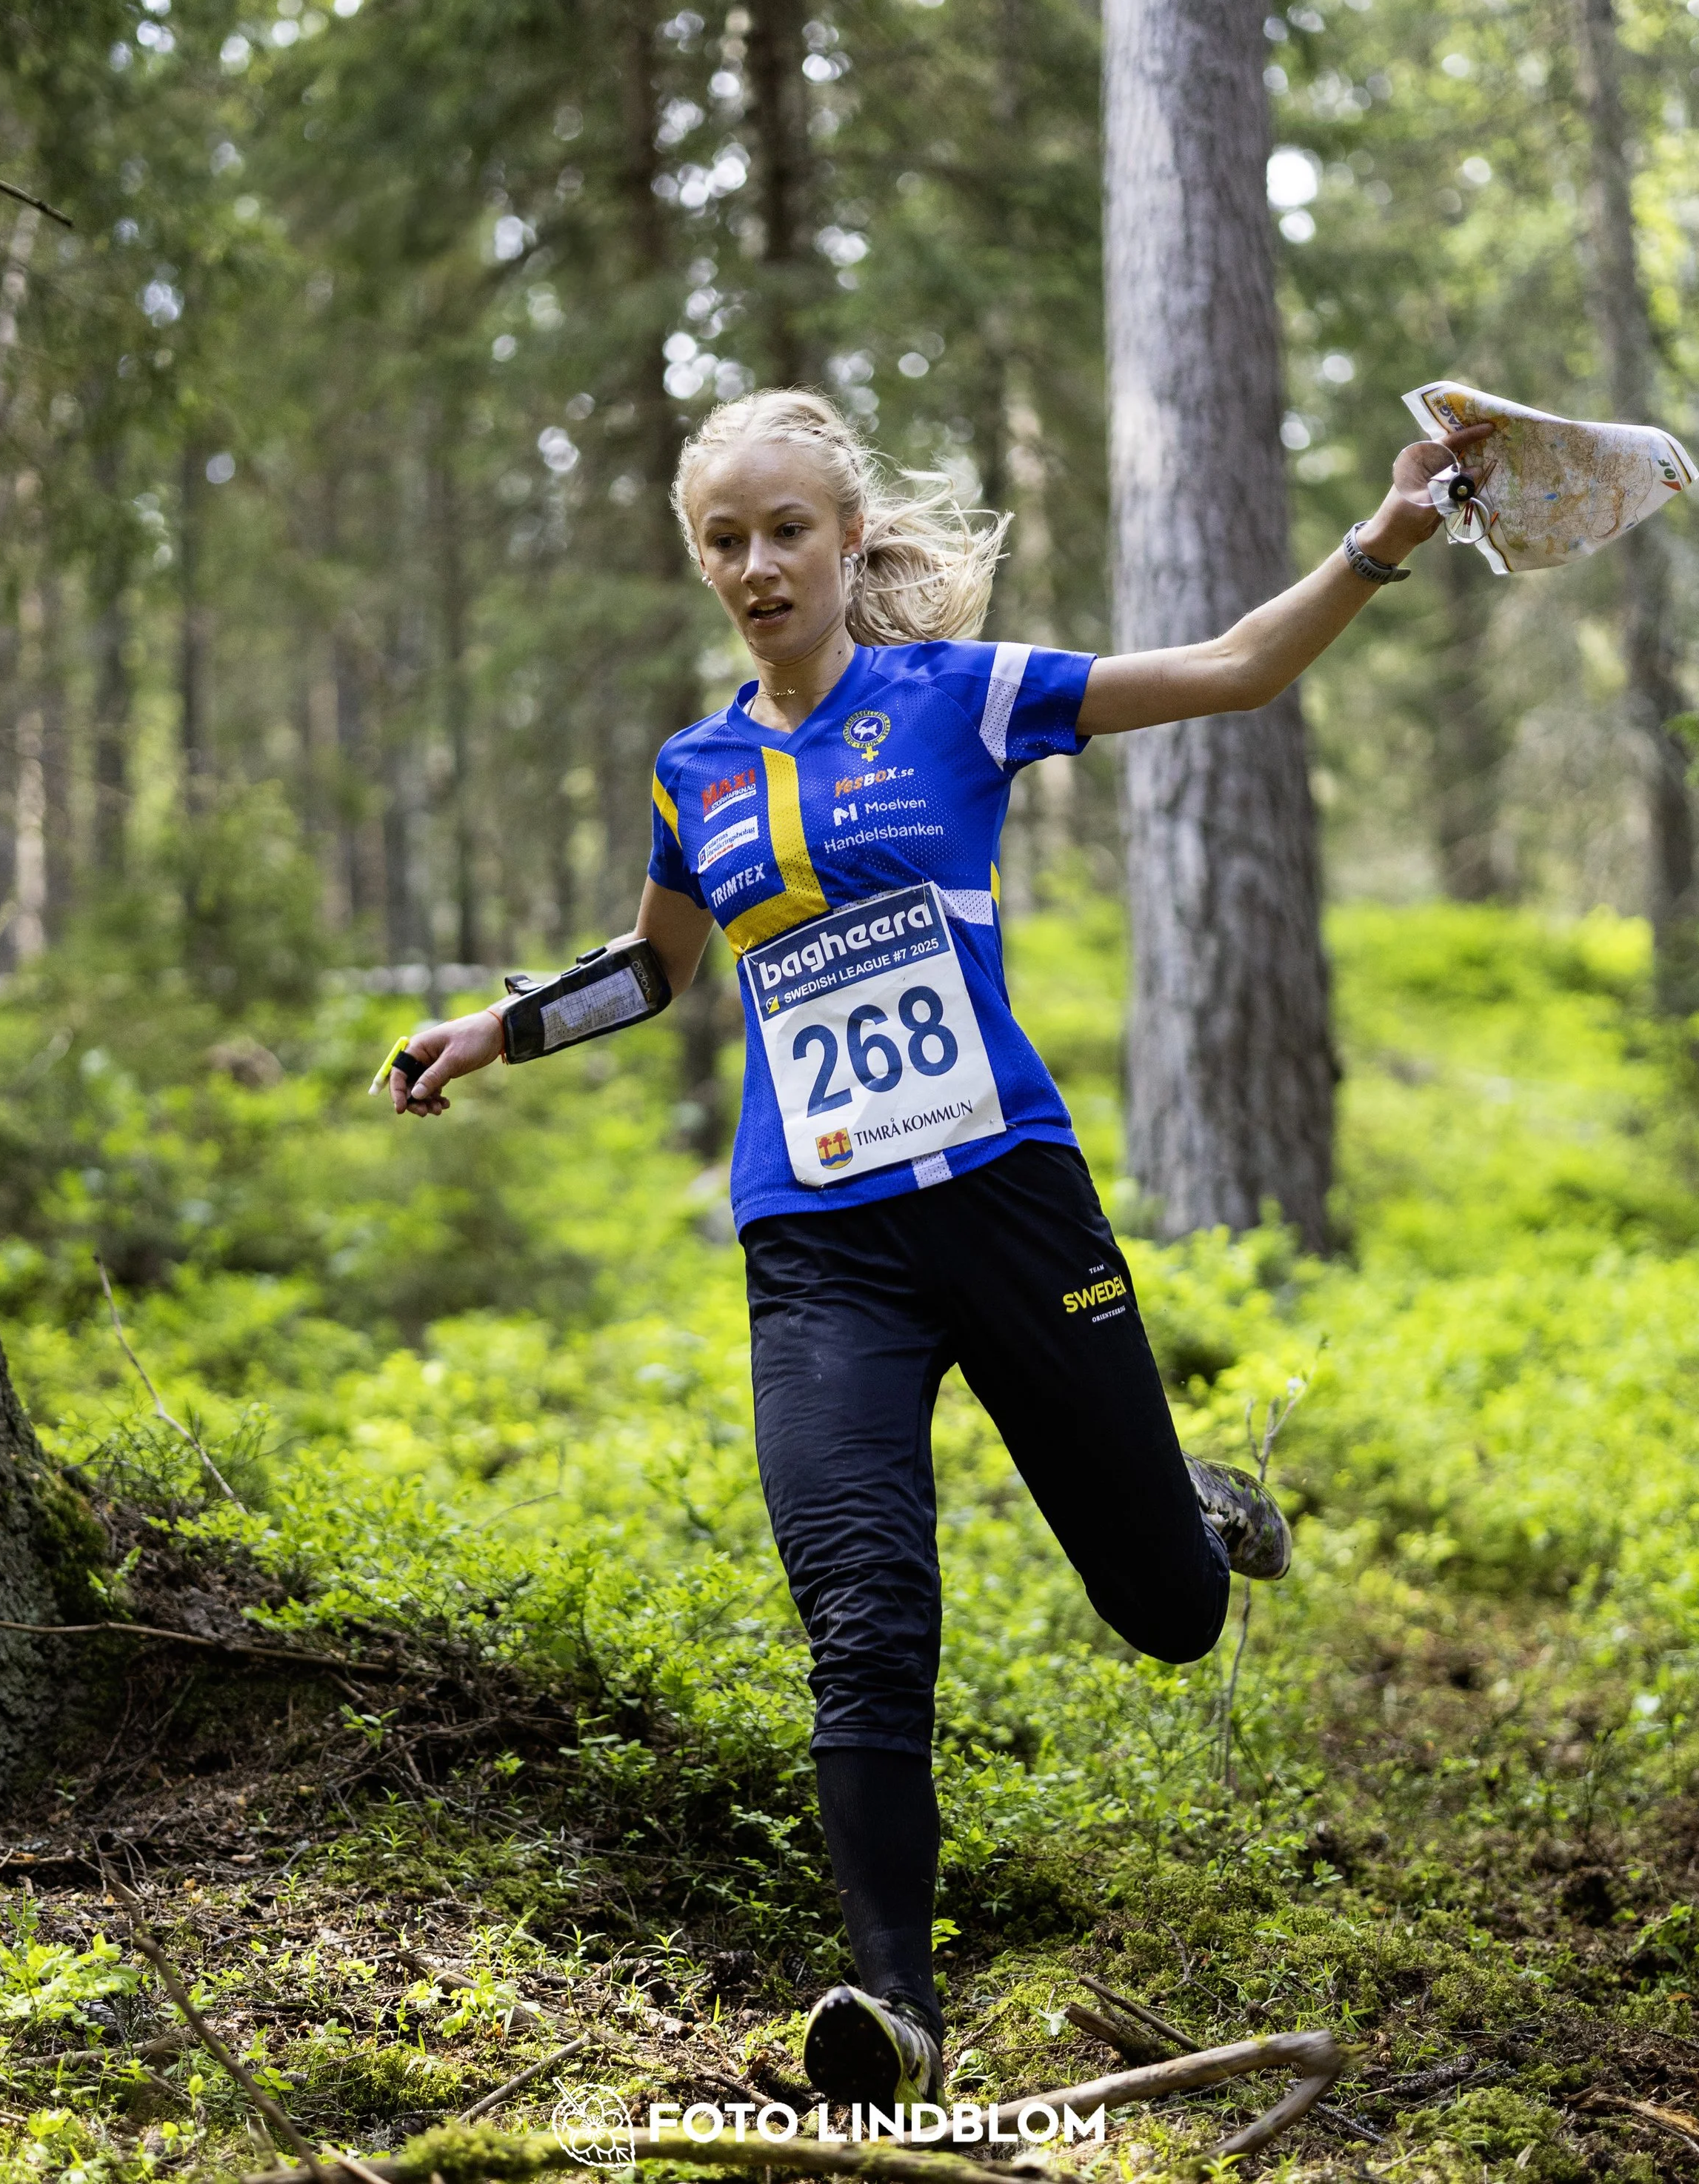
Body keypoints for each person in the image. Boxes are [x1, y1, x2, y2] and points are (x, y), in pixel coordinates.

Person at [389, 389, 1491, 2113]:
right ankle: (890, 2003)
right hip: (819, 1243)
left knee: (1169, 1614)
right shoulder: (697, 767)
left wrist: (1385, 535)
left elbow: (1229, 668)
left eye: (783, 532)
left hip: (1005, 1198)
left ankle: (1184, 1508)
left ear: (845, 543)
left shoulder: (954, 696)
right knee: (863, 1602)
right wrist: (493, 1027)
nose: (754, 566)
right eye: (722, 541)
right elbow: (658, 963)